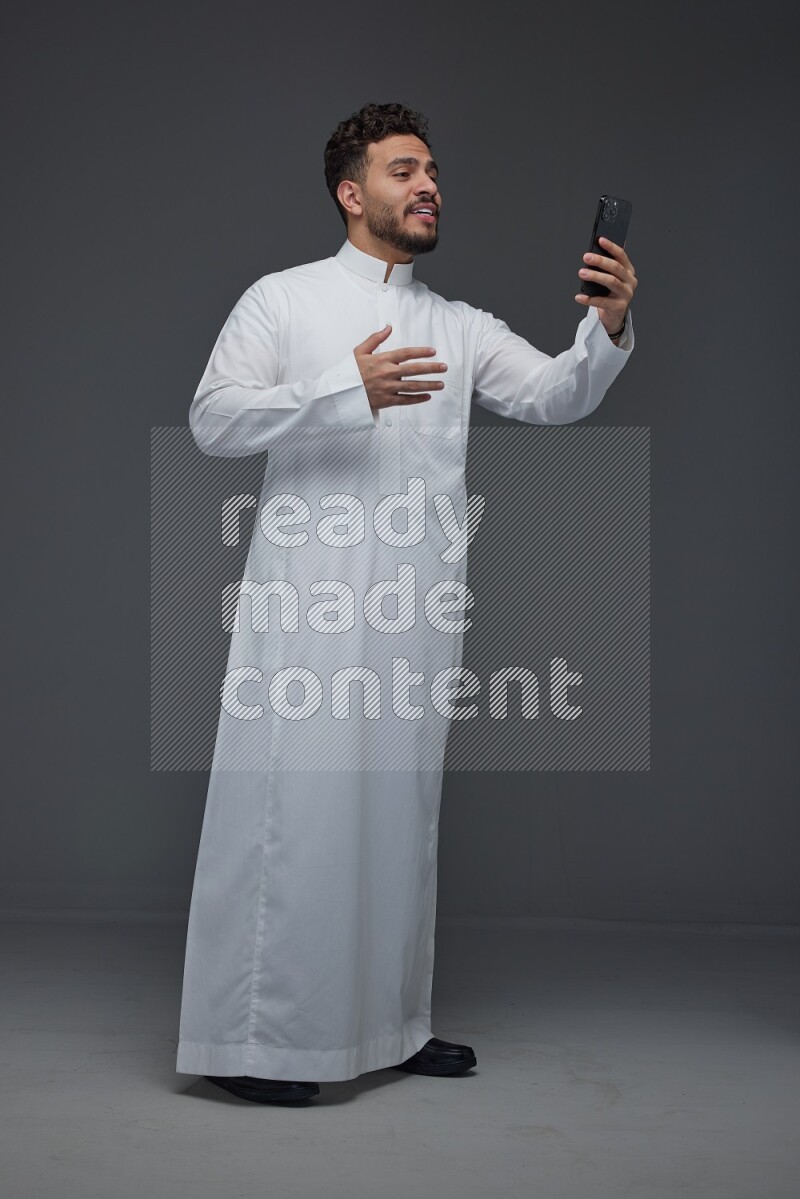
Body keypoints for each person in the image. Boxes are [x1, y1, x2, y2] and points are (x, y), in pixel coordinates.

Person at [176, 101, 638, 1104]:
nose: (428, 185)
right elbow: (214, 419)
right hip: (307, 614)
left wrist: (604, 327)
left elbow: (556, 394)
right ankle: (252, 1041)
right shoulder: (282, 300)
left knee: (397, 822)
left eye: (432, 170)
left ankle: (390, 1026)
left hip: (415, 617)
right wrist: (345, 391)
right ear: (351, 193)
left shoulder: (457, 327)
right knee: (294, 820)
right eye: (403, 170)